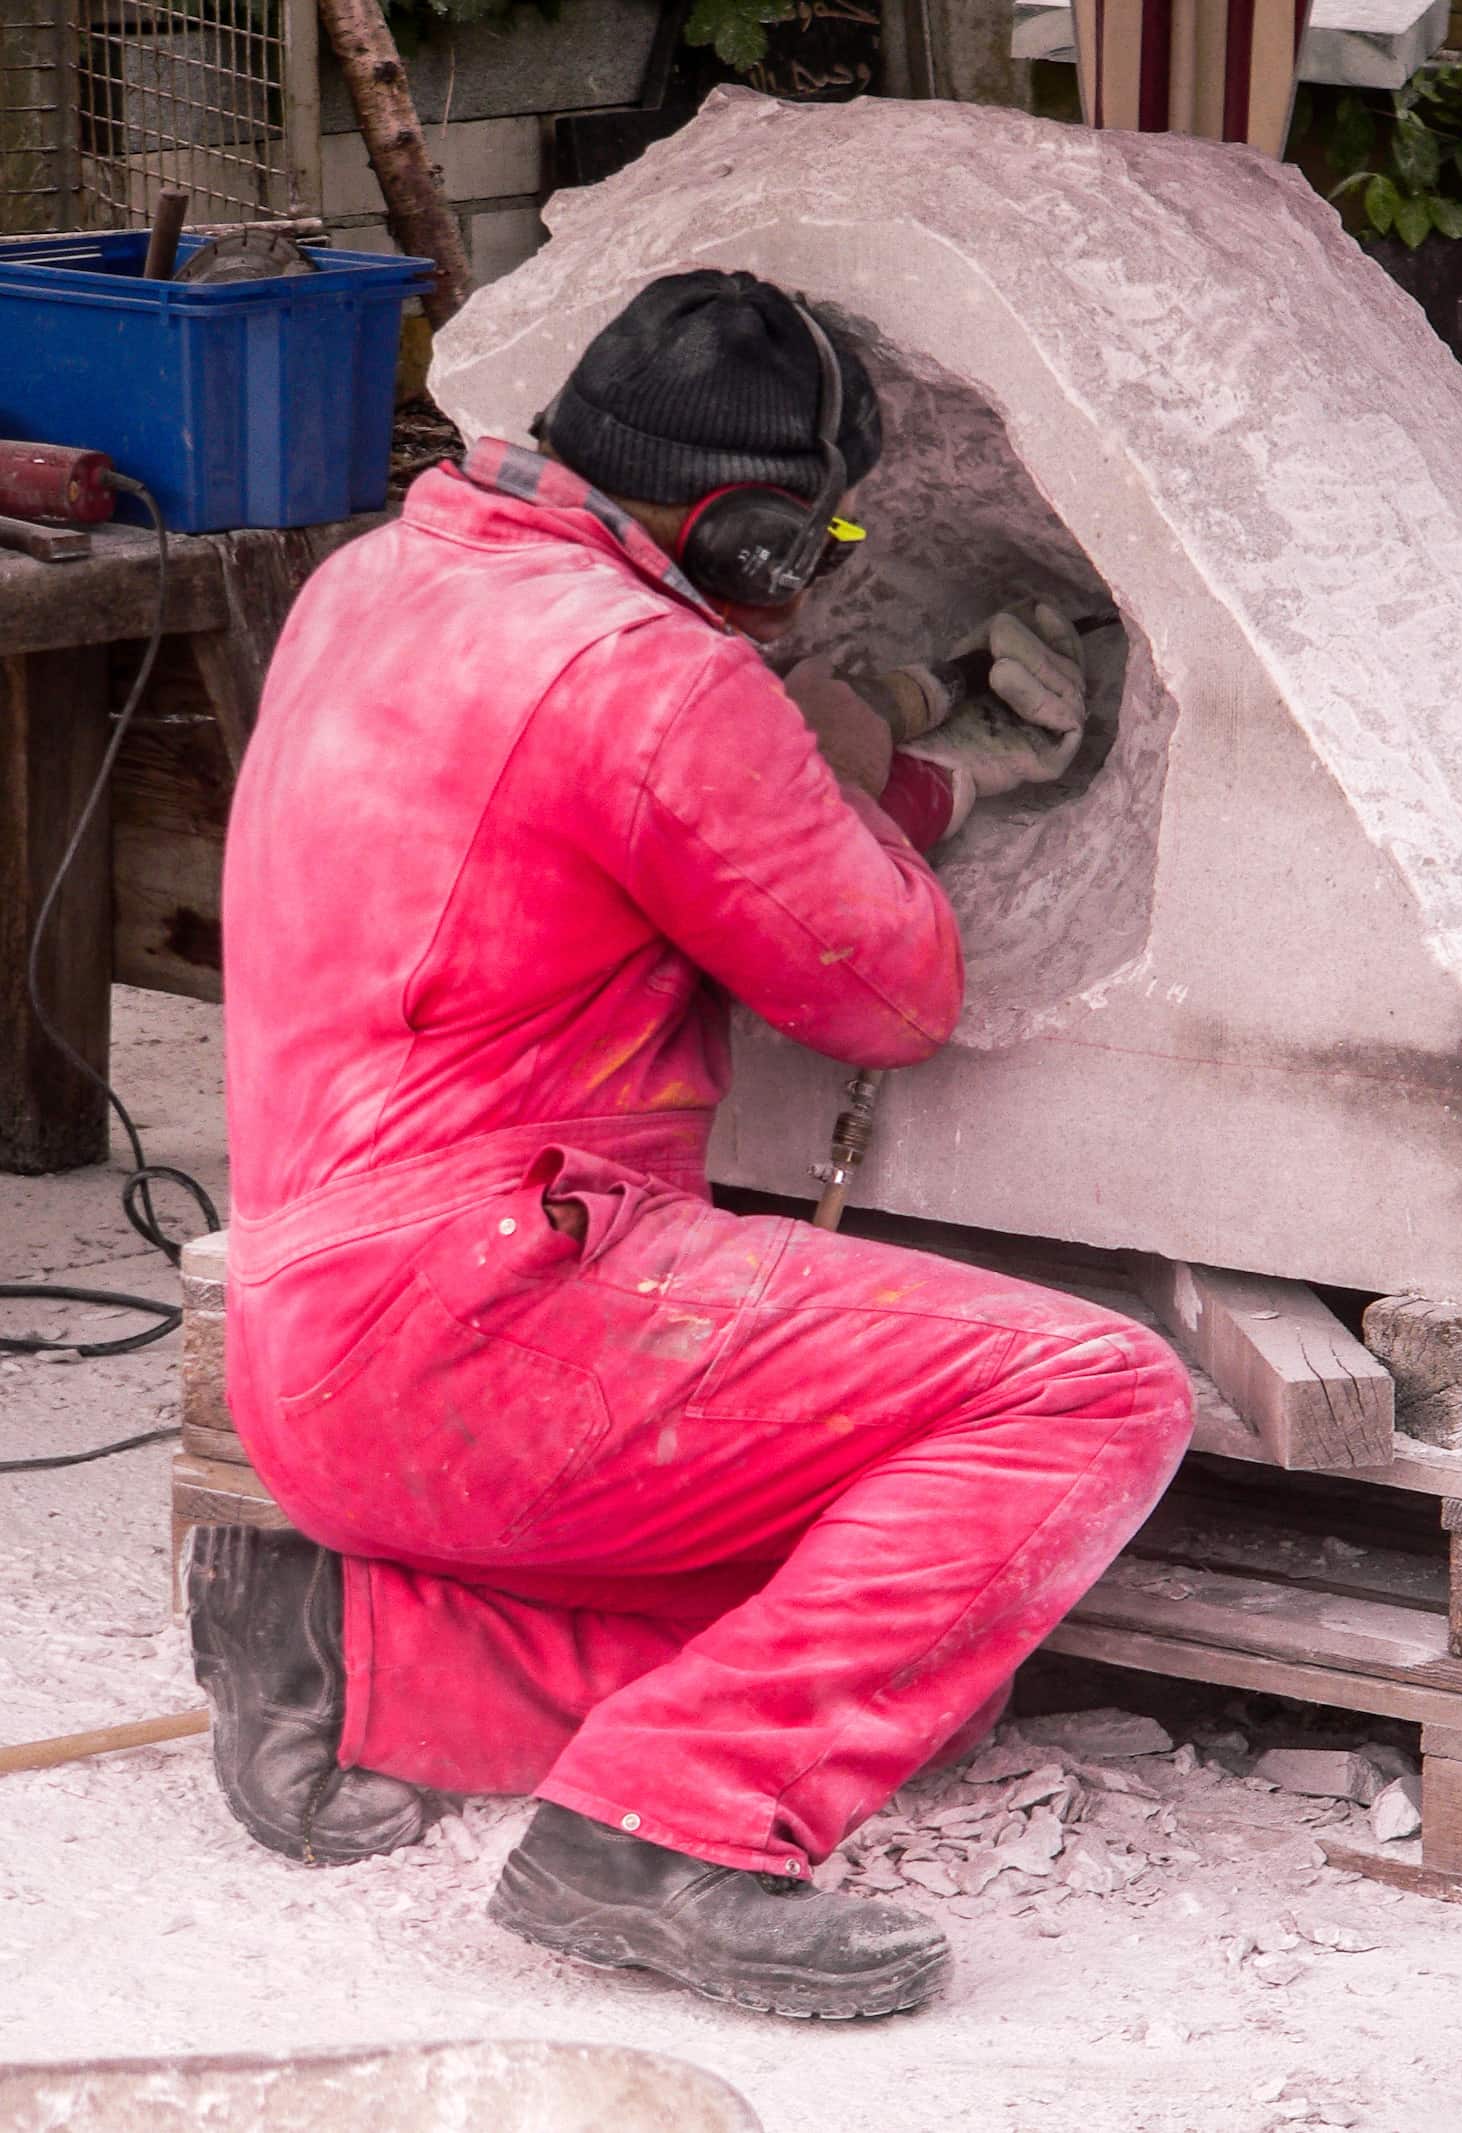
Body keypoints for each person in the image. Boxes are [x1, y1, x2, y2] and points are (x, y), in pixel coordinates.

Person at [192, 269, 1193, 2021]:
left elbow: (625, 835)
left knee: (913, 1634)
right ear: (749, 529)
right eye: (819, 544)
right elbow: (888, 993)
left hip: (315, 1338)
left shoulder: (378, 579)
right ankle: (666, 1835)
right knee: (1097, 1397)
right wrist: (888, 765)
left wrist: (914, 765)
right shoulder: (651, 677)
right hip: (488, 1335)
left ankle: (361, 1659)